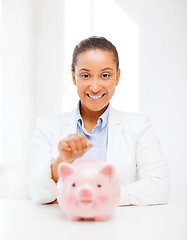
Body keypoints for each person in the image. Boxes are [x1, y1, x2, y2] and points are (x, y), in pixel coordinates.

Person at [28, 36, 170, 205]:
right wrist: (62, 160)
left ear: (117, 77)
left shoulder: (139, 126)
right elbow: (37, 193)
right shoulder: (46, 127)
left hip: (118, 228)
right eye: (86, 75)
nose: (95, 87)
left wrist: (98, 194)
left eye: (105, 75)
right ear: (74, 78)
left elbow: (160, 187)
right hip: (65, 228)